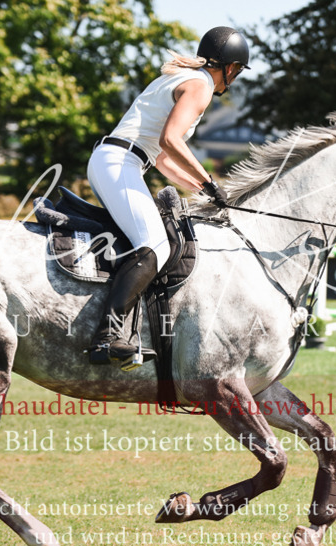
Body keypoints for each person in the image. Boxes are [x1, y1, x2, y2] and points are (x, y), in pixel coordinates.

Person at [85, 26, 250, 367]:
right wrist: (208, 180)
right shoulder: (201, 86)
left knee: (151, 240)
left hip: (119, 160)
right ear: (231, 69)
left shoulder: (186, 78)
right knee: (155, 244)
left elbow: (161, 157)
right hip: (120, 161)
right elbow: (172, 139)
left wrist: (202, 191)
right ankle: (107, 336)